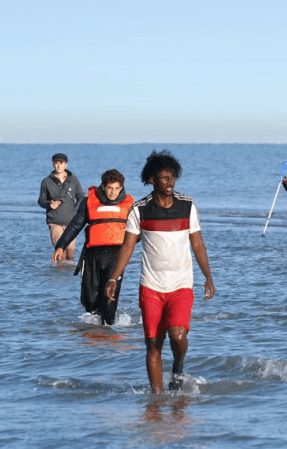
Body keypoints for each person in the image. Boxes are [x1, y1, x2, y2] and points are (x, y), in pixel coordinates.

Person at [106, 150, 215, 393]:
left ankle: (178, 365)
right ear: (152, 179)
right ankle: (156, 400)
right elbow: (127, 247)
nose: (170, 182)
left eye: (173, 177)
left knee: (177, 336)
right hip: (151, 287)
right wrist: (114, 277)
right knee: (153, 344)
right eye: (165, 178)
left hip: (181, 285)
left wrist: (208, 276)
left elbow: (197, 243)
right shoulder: (139, 210)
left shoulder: (187, 206)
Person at [52, 169, 134, 325]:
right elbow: (76, 225)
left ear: (122, 188)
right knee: (90, 301)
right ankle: (93, 341)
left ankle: (109, 333)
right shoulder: (88, 201)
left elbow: (138, 232)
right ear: (103, 186)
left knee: (108, 299)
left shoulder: (130, 205)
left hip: (116, 256)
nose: (113, 192)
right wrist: (61, 246)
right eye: (110, 187)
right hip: (91, 255)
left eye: (117, 188)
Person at [38, 153, 86, 260]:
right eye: (56, 163)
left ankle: (68, 275)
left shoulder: (73, 180)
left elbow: (81, 197)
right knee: (60, 253)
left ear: (66, 165)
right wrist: (49, 204)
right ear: (53, 164)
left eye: (61, 163)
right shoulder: (46, 181)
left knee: (70, 254)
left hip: (71, 222)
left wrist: (76, 210)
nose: (58, 165)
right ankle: (58, 275)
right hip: (54, 221)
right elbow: (41, 201)